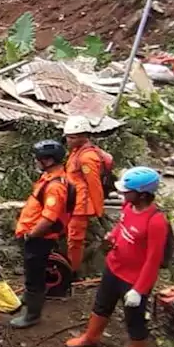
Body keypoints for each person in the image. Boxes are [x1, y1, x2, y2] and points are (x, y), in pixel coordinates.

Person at [65, 167, 168, 347]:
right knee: (102, 304)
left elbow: (153, 260)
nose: (122, 194)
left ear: (142, 194)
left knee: (135, 320)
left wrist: (139, 290)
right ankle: (91, 336)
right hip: (114, 267)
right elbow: (122, 226)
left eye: (127, 191)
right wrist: (112, 237)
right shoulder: (128, 206)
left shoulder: (156, 221)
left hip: (134, 279)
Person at [10, 140, 70, 329]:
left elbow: (49, 218)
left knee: (35, 276)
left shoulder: (55, 186)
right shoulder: (48, 178)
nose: (36, 162)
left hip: (39, 239)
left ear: (49, 160)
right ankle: (28, 298)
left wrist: (32, 235)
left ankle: (32, 315)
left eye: (38, 159)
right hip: (34, 236)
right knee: (30, 272)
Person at [63, 116, 112, 274]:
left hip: (81, 205)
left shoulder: (87, 157)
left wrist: (99, 210)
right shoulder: (76, 152)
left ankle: (73, 271)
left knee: (75, 240)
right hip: (72, 200)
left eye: (71, 138)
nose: (68, 141)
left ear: (82, 137)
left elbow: (94, 184)